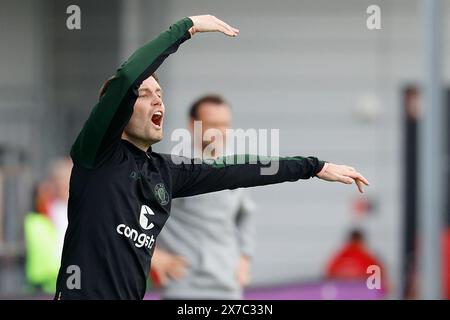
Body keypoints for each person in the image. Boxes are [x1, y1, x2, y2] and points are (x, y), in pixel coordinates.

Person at [55, 15, 369, 300]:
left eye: (160, 95)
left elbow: (239, 169)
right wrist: (185, 28)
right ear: (119, 111)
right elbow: (125, 79)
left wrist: (314, 167)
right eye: (145, 95)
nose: (157, 102)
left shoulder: (165, 171)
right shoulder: (97, 153)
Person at [151, 95, 256, 299]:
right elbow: (131, 215)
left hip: (228, 284)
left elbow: (246, 215)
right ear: (193, 125)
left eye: (225, 125)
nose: (220, 132)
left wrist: (245, 257)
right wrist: (154, 257)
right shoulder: (170, 168)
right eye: (212, 125)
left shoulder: (235, 166)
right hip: (183, 286)